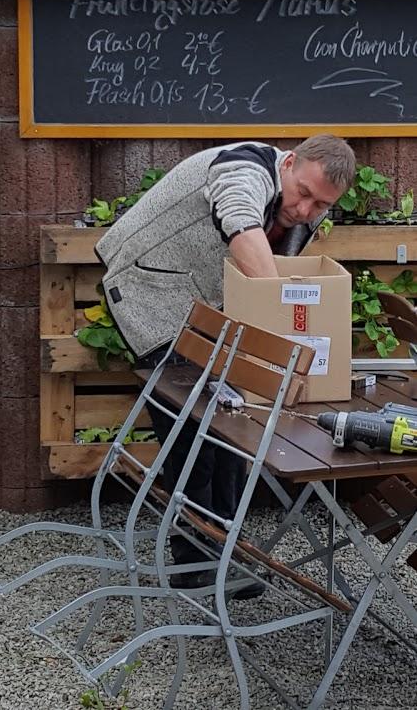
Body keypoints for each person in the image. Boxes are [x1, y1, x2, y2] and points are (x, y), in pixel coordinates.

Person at [95, 134, 356, 594]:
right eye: (303, 194)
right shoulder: (245, 165)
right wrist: (279, 309)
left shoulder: (305, 198)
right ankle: (194, 564)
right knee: (190, 426)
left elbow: (269, 261)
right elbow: (240, 220)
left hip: (210, 307)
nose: (306, 210)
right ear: (289, 162)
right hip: (150, 291)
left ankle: (224, 547)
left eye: (321, 205)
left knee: (232, 425)